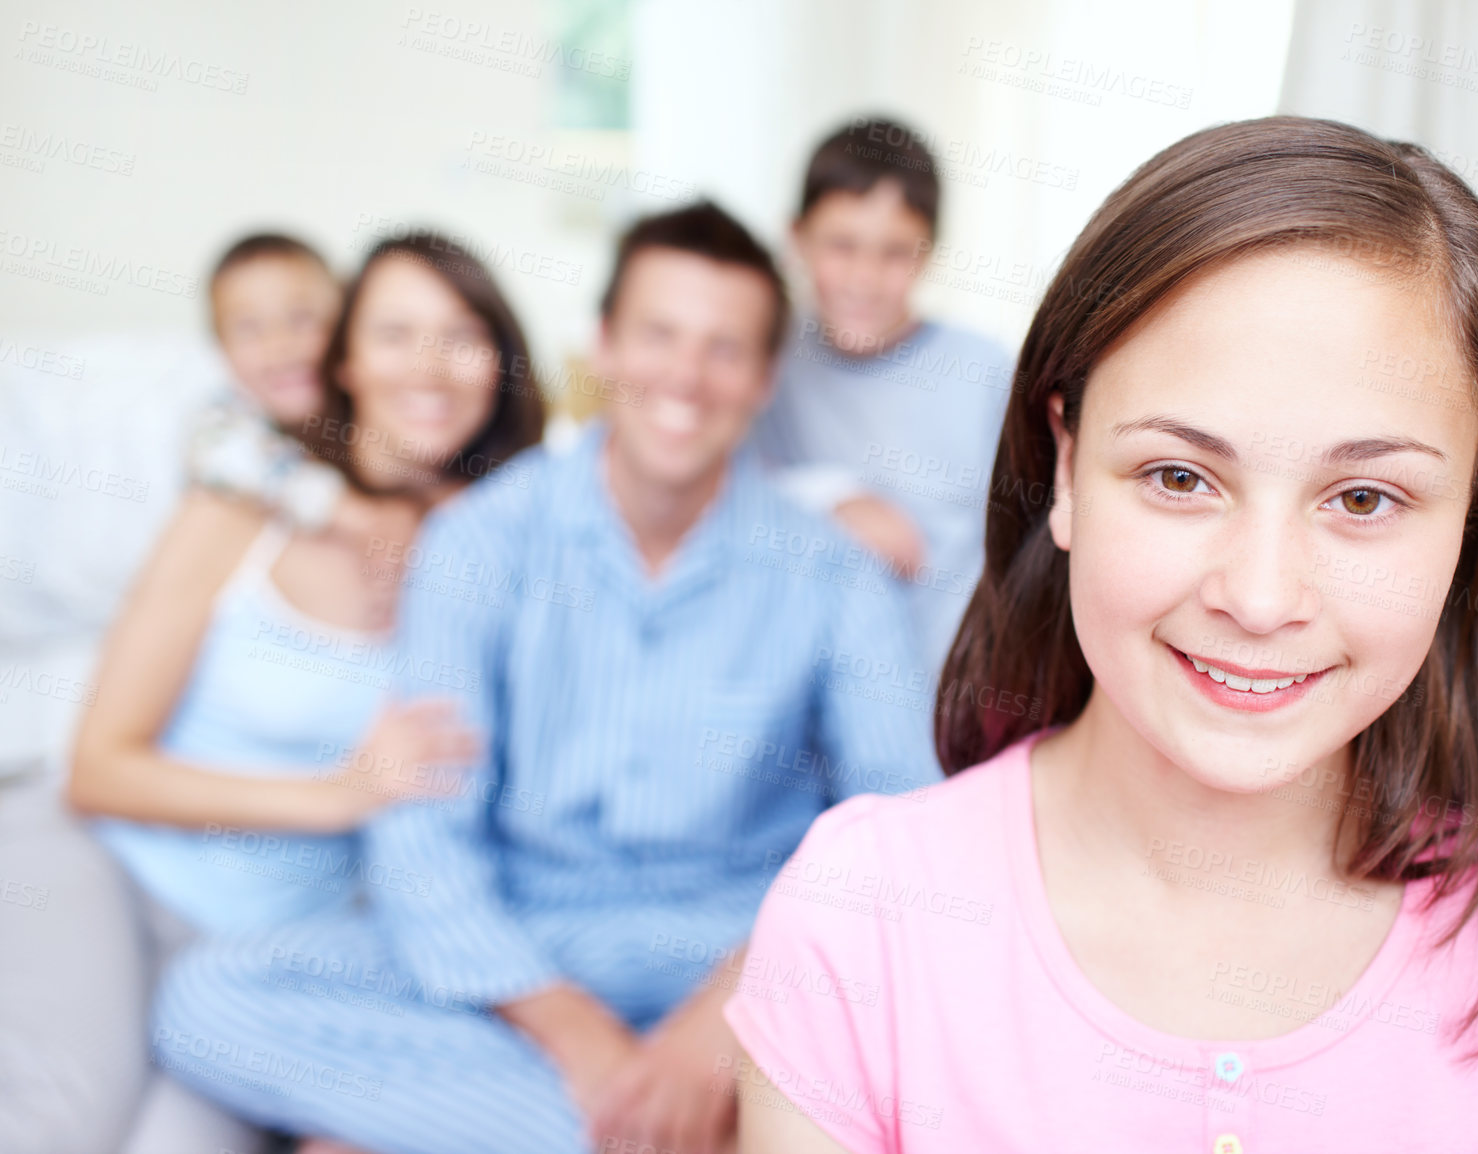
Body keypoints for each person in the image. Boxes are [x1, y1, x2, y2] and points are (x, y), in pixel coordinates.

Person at [724, 117, 1478, 1151]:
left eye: (1365, 496)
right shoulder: (859, 926)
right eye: (1179, 476)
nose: (1258, 597)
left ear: (1470, 513)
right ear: (1065, 468)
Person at [151, 200, 941, 1154]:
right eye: (658, 334)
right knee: (209, 1000)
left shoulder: (837, 574)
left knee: (932, 1006)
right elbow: (423, 838)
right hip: (524, 939)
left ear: (765, 377)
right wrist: (581, 1040)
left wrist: (714, 1036)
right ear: (602, 345)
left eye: (724, 349)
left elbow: (895, 837)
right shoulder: (478, 540)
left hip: (743, 949)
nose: (685, 378)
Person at [66, 231, 543, 1152]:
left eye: (462, 336)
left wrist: (823, 495)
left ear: (500, 362)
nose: (431, 367)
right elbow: (95, 769)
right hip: (119, 884)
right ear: (348, 360)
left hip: (289, 951)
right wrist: (336, 798)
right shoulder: (242, 499)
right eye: (397, 333)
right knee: (60, 1118)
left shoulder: (504, 538)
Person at [750, 116, 1014, 679]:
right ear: (796, 238)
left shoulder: (984, 373)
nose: (864, 279)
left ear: (928, 254)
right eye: (842, 246)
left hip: (947, 700)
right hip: (798, 696)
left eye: (895, 252)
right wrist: (831, 499)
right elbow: (716, 492)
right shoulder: (764, 357)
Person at [186, 232, 397, 539]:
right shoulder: (223, 419)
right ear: (221, 349)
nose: (280, 346)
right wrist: (336, 506)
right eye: (248, 329)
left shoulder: (359, 404)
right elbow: (222, 460)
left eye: (301, 319)